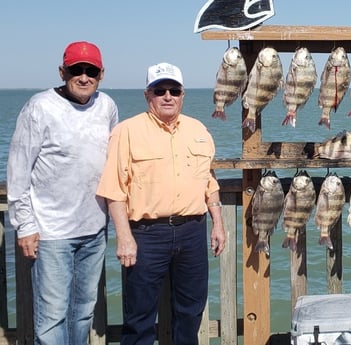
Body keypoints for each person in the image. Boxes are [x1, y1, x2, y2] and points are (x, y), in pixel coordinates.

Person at [96, 62, 227, 344]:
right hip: (145, 235)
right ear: (148, 95)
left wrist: (218, 224)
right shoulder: (126, 131)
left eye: (174, 90)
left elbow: (209, 182)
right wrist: (124, 237)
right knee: (139, 318)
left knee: (191, 312)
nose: (167, 96)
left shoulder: (199, 130)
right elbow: (114, 190)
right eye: (160, 90)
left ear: (183, 95)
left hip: (193, 232)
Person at [6, 41, 118, 344]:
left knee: (83, 312)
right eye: (76, 70)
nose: (84, 77)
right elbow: (18, 170)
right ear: (62, 71)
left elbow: (114, 160)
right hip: (51, 232)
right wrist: (25, 225)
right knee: (52, 317)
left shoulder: (107, 106)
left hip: (94, 229)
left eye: (91, 70)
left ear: (101, 74)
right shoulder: (39, 107)